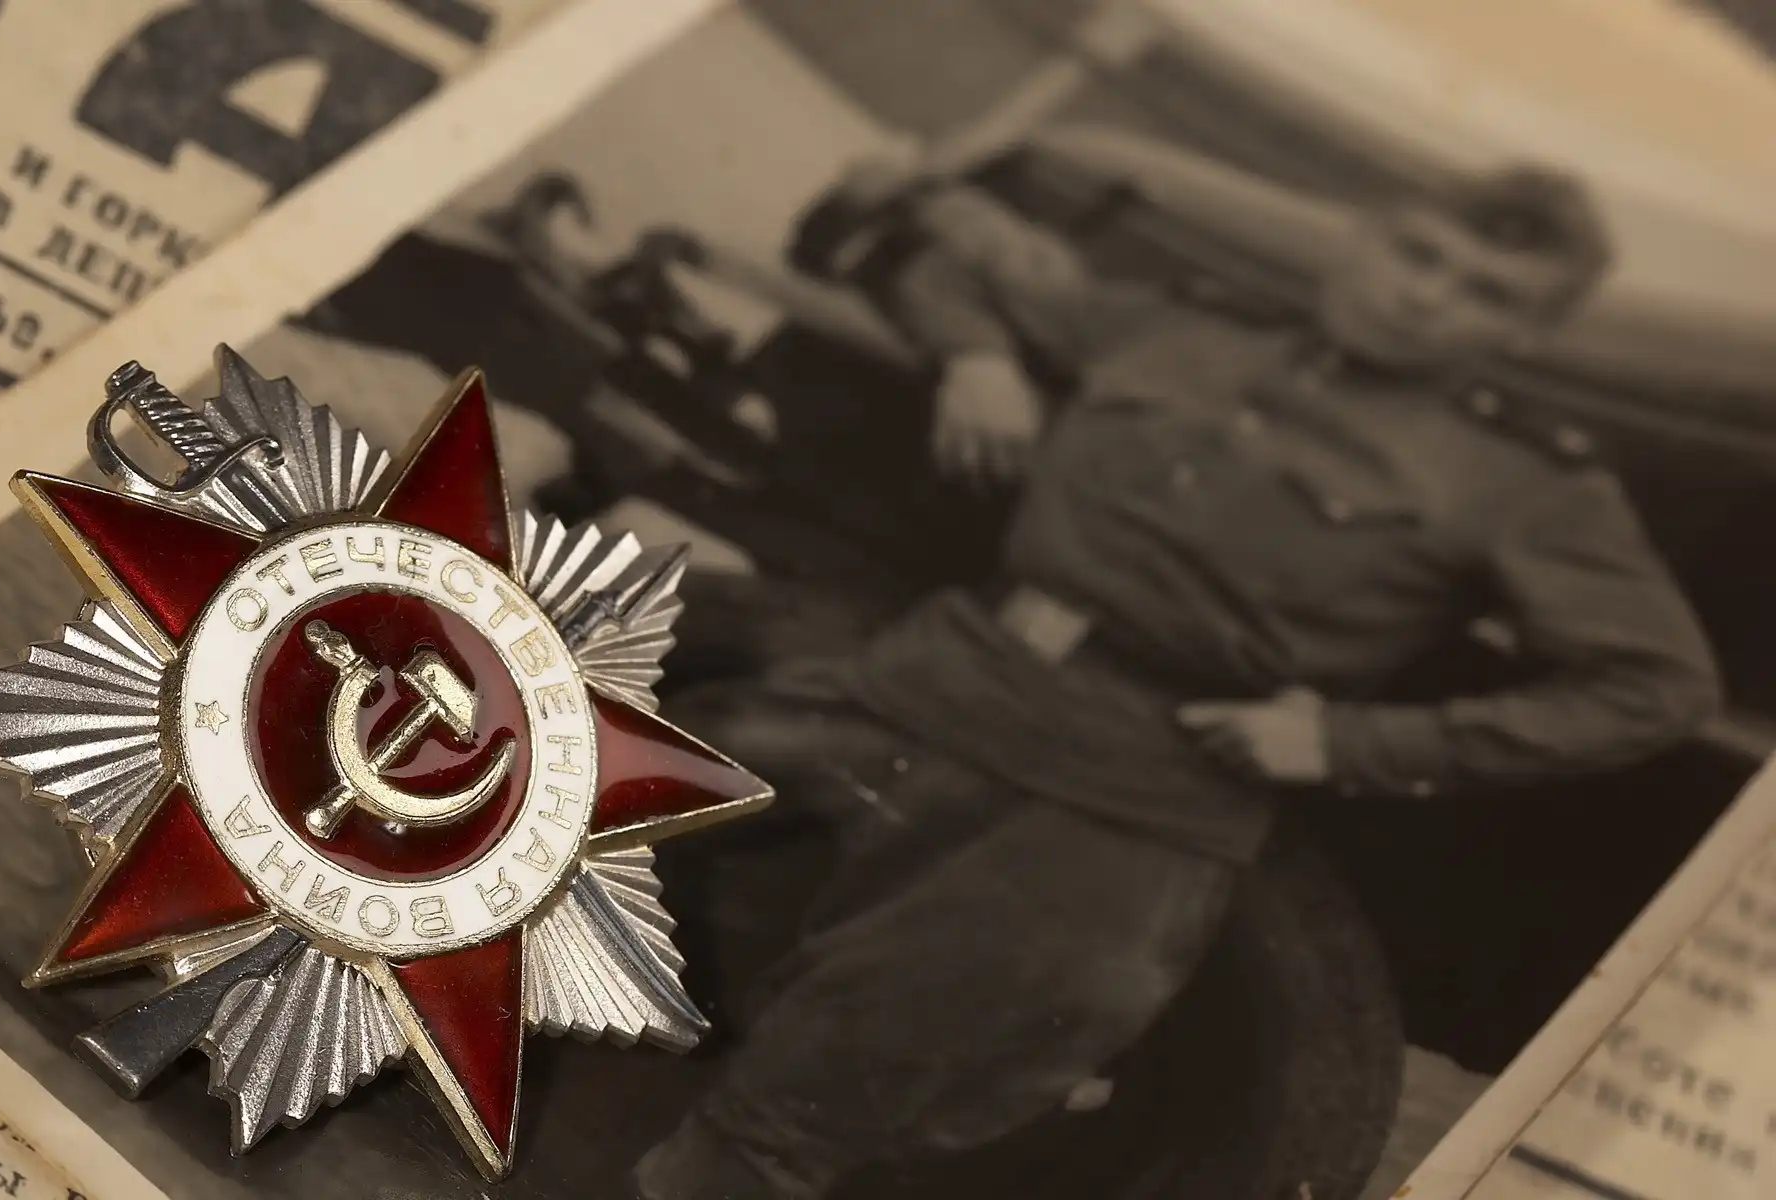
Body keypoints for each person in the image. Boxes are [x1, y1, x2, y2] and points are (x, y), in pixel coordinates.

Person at [633, 153, 1722, 1198]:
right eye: (1418, 254)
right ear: (1365, 240)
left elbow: (1657, 688)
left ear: (1524, 334)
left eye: (1485, 293)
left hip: (1125, 797)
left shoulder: (1525, 484)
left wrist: (1353, 744)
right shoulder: (1184, 330)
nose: (1425, 298)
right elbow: (938, 268)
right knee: (567, 833)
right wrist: (978, 355)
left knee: (798, 1114)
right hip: (933, 684)